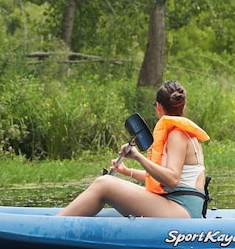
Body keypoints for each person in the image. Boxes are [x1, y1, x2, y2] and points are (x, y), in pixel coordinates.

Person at [59, 81, 210, 218]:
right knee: (108, 181)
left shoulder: (177, 135)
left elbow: (172, 179)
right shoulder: (177, 132)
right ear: (183, 105)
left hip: (183, 209)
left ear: (158, 106)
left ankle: (55, 225)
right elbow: (161, 178)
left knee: (104, 184)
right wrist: (126, 171)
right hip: (177, 203)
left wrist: (138, 157)